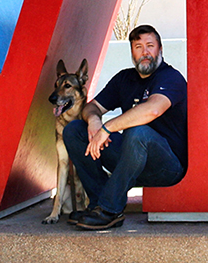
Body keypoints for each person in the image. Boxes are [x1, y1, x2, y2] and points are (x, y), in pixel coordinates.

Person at [63, 24, 187, 230]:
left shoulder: (170, 78)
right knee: (75, 130)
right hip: (130, 160)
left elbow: (153, 110)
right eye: (138, 47)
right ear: (132, 52)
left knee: (138, 131)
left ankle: (110, 209)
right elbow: (91, 107)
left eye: (150, 45)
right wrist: (94, 120)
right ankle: (98, 205)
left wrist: (107, 128)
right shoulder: (124, 78)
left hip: (166, 167)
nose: (144, 52)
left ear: (160, 50)